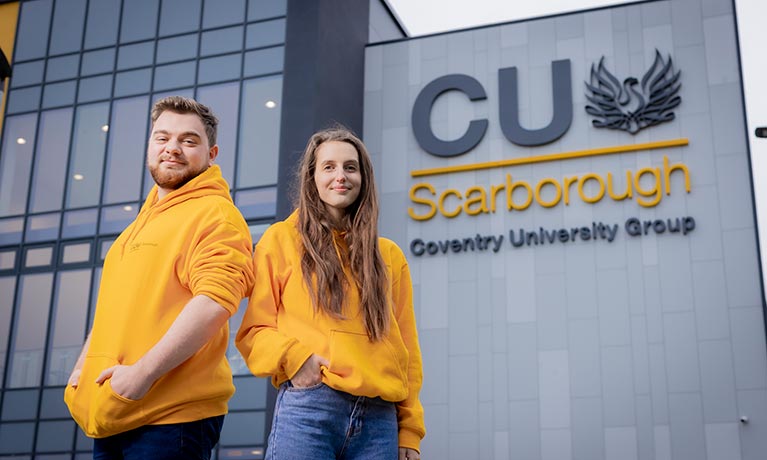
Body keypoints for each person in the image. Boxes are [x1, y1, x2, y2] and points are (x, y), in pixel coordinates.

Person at [64, 96, 255, 460]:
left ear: (211, 153)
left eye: (188, 140)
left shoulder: (216, 215)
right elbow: (116, 308)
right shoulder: (137, 227)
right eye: (162, 138)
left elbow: (215, 302)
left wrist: (141, 376)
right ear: (150, 146)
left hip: (171, 416)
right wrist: (83, 363)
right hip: (114, 411)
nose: (173, 148)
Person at [236, 126, 425, 460]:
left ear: (363, 178)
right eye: (329, 167)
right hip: (310, 410)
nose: (341, 176)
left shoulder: (389, 257)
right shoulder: (281, 240)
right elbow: (254, 331)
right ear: (312, 178)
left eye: (350, 167)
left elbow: (406, 350)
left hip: (380, 421)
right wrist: (296, 360)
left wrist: (409, 428)